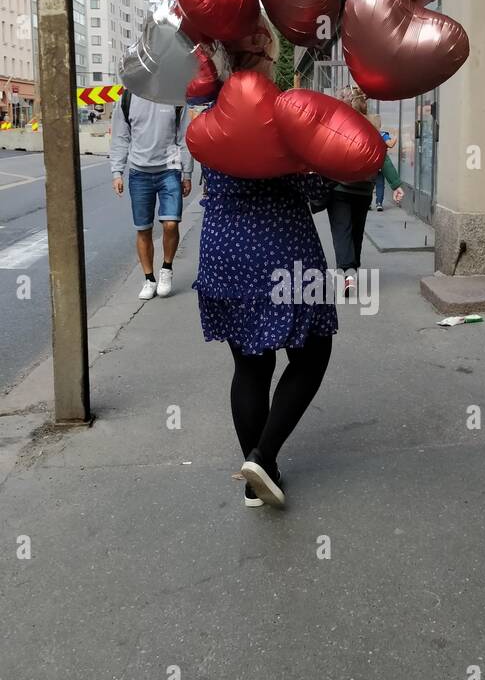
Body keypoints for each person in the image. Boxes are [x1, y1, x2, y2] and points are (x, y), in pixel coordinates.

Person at [195, 168, 338, 510]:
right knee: (312, 353)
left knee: (249, 366)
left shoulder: (213, 116)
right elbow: (314, 187)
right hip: (281, 246)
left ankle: (257, 480)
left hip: (224, 245)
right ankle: (264, 457)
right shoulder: (285, 116)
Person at [110, 90, 193, 299]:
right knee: (143, 229)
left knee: (171, 223)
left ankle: (166, 268)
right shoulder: (127, 98)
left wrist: (187, 173)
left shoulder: (174, 97)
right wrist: (117, 172)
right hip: (139, 173)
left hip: (170, 170)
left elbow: (184, 137)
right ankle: (149, 279)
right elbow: (120, 137)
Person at [327, 86, 404, 296]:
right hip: (363, 189)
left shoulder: (335, 125)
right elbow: (382, 158)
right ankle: (353, 269)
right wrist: (396, 184)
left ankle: (348, 272)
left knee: (342, 230)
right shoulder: (371, 128)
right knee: (357, 231)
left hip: (339, 187)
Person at [374, 128, 397, 211]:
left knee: (369, 183)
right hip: (380, 162)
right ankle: (379, 203)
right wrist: (395, 137)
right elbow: (390, 144)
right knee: (380, 184)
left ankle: (368, 203)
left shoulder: (367, 132)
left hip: (370, 163)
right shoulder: (383, 135)